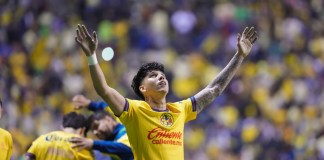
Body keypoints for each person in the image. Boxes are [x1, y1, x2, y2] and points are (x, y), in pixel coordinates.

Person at [75, 24, 257, 159]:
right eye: (153, 76)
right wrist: (91, 57)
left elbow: (214, 89)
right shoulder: (135, 111)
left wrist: (239, 56)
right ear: (143, 88)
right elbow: (104, 90)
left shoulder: (181, 109)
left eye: (162, 75)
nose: (161, 77)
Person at [25, 112, 94, 160]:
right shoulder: (80, 145)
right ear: (82, 131)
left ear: (62, 128)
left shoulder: (41, 139)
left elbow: (27, 157)